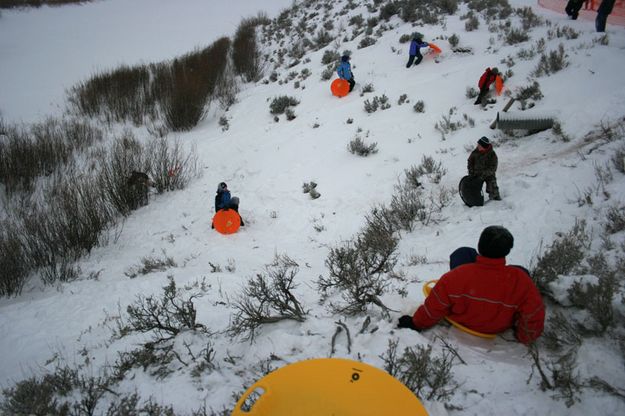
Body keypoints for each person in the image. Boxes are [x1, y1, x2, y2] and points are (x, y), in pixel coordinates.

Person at [397, 226, 545, 344]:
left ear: (480, 246)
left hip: (463, 316)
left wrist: (416, 323)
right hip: (497, 324)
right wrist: (525, 337)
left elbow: (436, 304)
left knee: (463, 254)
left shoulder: (456, 277)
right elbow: (533, 312)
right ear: (507, 251)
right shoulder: (520, 280)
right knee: (521, 270)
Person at [467, 136, 501, 201]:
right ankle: (474, 200)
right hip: (476, 174)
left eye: (479, 145)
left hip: (488, 175)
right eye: (478, 144)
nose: (477, 146)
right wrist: (471, 172)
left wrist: (482, 176)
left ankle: (495, 197)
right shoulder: (475, 152)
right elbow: (470, 162)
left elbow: (493, 168)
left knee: (492, 185)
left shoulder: (492, 155)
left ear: (484, 146)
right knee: (471, 186)